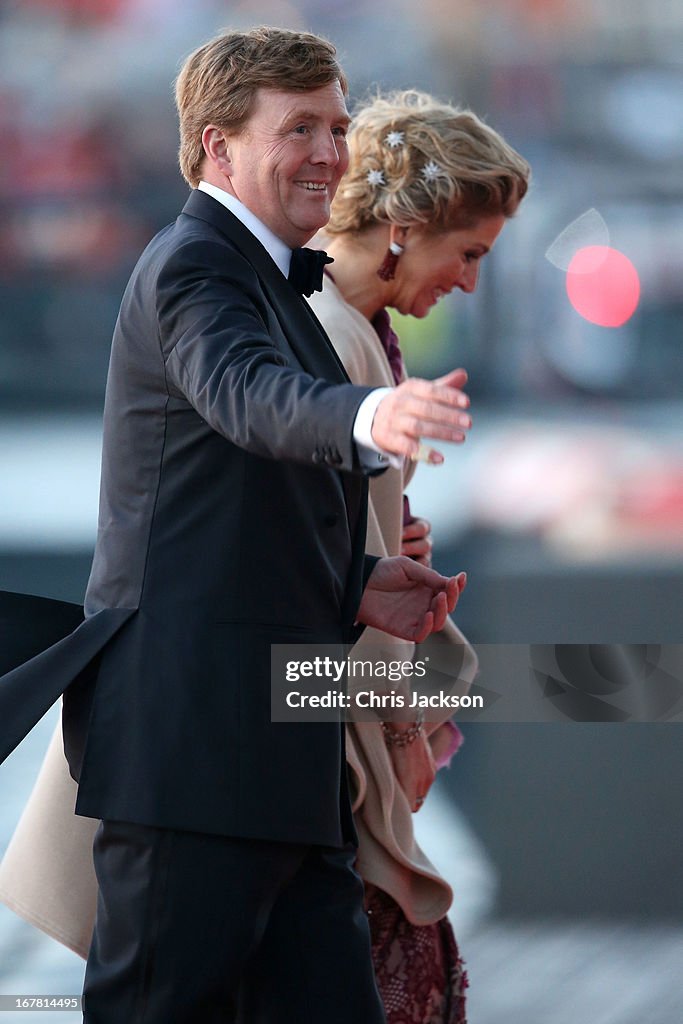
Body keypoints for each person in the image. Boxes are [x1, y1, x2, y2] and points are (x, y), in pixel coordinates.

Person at [0, 28, 474, 1024]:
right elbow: (251, 395)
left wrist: (356, 583)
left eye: (337, 126)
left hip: (274, 759)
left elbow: (230, 504)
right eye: (298, 126)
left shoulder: (273, 280)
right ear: (218, 149)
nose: (330, 152)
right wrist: (367, 414)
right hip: (195, 758)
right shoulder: (192, 269)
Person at [307, 90, 530, 1023]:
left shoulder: (363, 329)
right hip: (296, 714)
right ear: (402, 228)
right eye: (467, 253)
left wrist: (385, 536)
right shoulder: (315, 327)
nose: (471, 283)